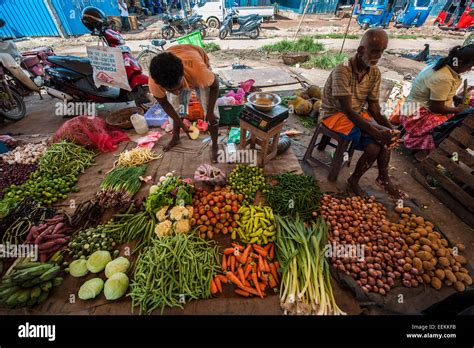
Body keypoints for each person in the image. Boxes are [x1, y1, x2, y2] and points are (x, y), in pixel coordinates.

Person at [319, 28, 403, 198]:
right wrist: (375, 131)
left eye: (381, 52)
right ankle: (382, 176)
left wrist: (389, 128)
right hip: (334, 115)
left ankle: (362, 179)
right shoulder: (342, 70)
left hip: (357, 113)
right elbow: (347, 110)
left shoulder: (374, 73)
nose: (378, 56)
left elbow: (374, 107)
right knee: (377, 138)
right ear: (360, 50)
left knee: (378, 143)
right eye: (374, 51)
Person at [148, 44, 220, 161]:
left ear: (183, 75)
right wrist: (182, 125)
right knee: (178, 108)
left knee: (212, 115)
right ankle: (176, 137)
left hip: (195, 59)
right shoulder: (155, 82)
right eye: (171, 91)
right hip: (177, 70)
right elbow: (165, 103)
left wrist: (210, 112)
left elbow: (215, 86)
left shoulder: (199, 73)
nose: (177, 92)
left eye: (179, 87)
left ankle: (215, 145)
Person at [400, 44, 474, 151]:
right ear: (460, 63)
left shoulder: (444, 66)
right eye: (469, 67)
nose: (469, 69)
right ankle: (412, 142)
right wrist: (458, 110)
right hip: (414, 115)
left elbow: (440, 95)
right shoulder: (444, 78)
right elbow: (436, 107)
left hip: (413, 108)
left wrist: (456, 98)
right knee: (449, 127)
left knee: (454, 121)